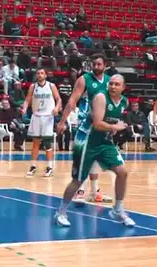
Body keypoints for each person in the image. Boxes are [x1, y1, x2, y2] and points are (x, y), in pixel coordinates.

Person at [55, 73, 134, 228]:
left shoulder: (124, 102)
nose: (112, 86)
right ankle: (61, 212)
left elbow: (114, 118)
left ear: (123, 88)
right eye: (111, 83)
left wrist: (117, 126)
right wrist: (114, 127)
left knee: (122, 172)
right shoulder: (100, 97)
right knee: (78, 179)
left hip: (104, 141)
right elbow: (97, 124)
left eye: (116, 84)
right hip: (87, 140)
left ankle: (118, 209)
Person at [57, 54, 108, 204]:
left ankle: (95, 191)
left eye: (99, 64)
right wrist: (62, 121)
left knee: (96, 159)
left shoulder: (110, 81)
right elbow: (72, 100)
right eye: (94, 64)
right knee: (82, 157)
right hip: (85, 123)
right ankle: (80, 190)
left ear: (105, 65)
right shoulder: (84, 79)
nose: (96, 67)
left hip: (101, 125)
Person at [23, 68, 61, 178]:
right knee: (35, 143)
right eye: (38, 73)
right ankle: (33, 166)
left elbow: (58, 99)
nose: (40, 75)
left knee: (47, 143)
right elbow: (27, 100)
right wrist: (24, 108)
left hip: (48, 116)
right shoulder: (32, 87)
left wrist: (57, 108)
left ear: (45, 75)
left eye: (42, 73)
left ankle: (49, 168)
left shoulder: (51, 86)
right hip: (36, 116)